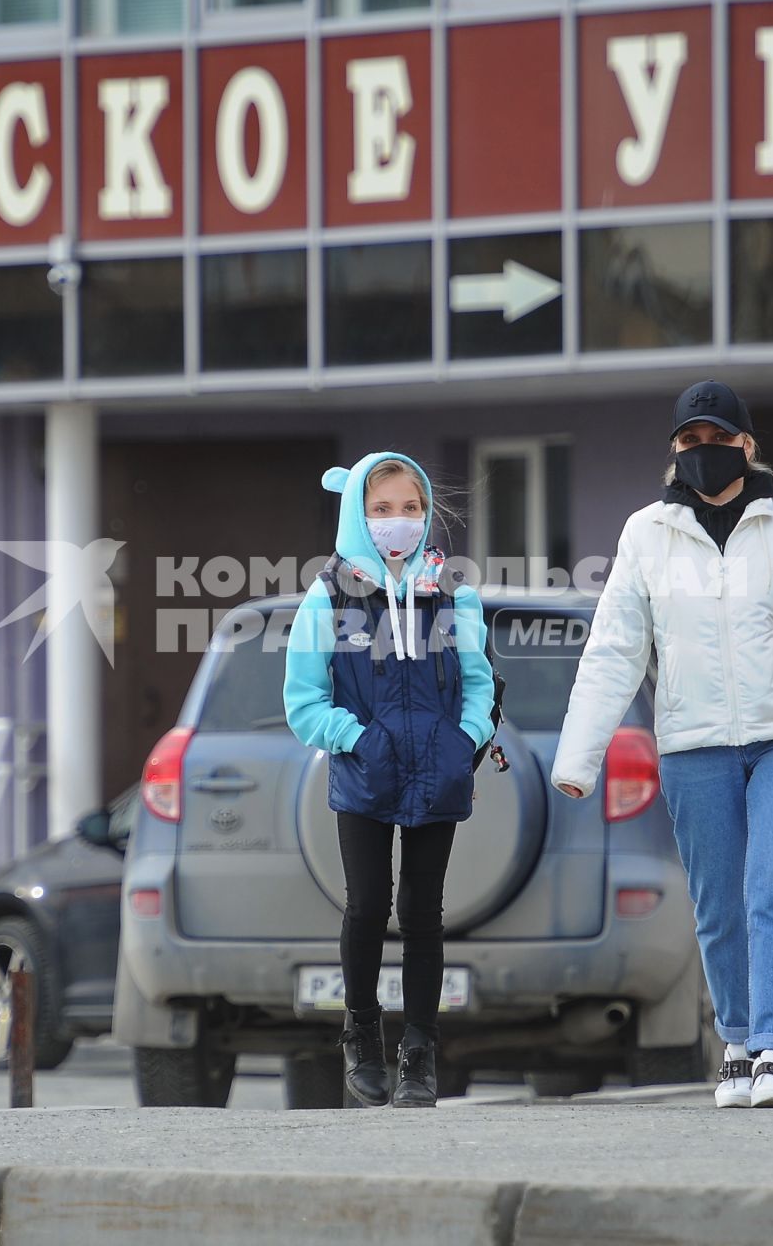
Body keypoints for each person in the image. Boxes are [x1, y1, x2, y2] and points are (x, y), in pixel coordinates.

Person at [550, 380, 773, 1110]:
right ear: (676, 453)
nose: (705, 453)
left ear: (747, 445)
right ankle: (735, 1044)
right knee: (717, 903)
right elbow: (615, 648)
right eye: (691, 442)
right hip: (692, 742)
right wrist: (579, 757)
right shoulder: (645, 533)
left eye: (718, 440)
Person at [283, 452, 496, 1108]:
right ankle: (363, 1037)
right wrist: (359, 739)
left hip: (438, 772)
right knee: (369, 904)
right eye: (382, 510)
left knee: (423, 913)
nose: (398, 522)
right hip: (366, 774)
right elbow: (304, 703)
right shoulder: (327, 598)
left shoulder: (455, 594)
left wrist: (466, 740)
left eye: (410, 509)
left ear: (426, 514)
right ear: (357, 515)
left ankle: (420, 1054)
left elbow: (480, 685)